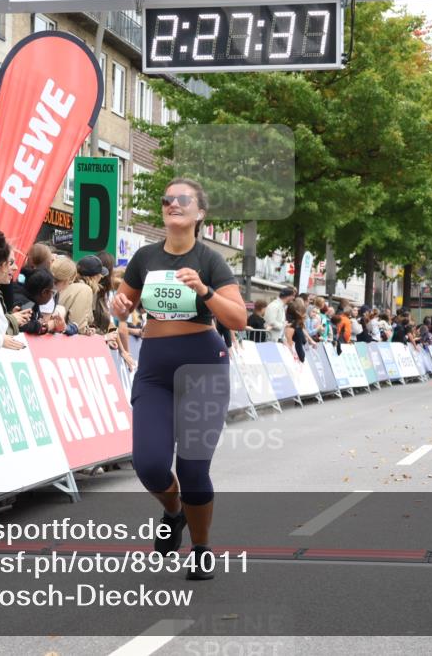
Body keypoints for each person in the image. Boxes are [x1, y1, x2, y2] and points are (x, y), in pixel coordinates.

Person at [111, 178, 246, 580]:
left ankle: (202, 548)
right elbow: (123, 304)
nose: (172, 203)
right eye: (167, 199)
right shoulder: (145, 257)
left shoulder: (210, 260)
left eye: (182, 199)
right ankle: (174, 512)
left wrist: (205, 290)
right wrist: (118, 304)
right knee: (150, 464)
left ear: (199, 213)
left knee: (192, 470)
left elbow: (237, 318)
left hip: (203, 367)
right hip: (154, 369)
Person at [58, 255, 107, 335]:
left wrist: (87, 329)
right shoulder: (84, 289)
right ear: (95, 277)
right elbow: (78, 327)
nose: (101, 278)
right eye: (100, 275)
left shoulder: (73, 285)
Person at [284, 298, 312, 363]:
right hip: (295, 360)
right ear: (298, 313)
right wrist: (294, 358)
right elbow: (289, 345)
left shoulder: (298, 325)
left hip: (300, 357)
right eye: (303, 312)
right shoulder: (290, 327)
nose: (305, 315)